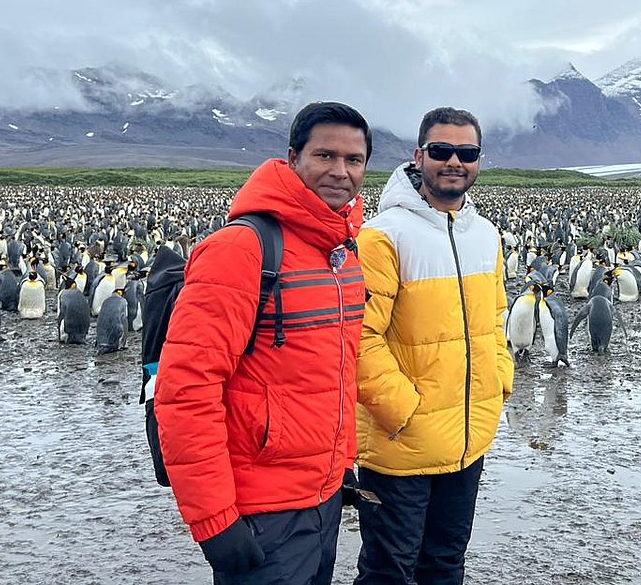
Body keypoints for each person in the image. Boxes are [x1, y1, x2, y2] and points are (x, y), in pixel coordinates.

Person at [155, 101, 372, 584]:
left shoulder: (342, 254)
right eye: (325, 156)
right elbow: (186, 389)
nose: (340, 171)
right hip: (262, 511)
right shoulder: (241, 249)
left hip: (324, 498)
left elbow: (331, 376)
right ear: (293, 158)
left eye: (354, 160)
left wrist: (342, 463)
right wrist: (214, 523)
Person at [354, 106, 514, 585]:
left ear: (479, 160)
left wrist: (499, 380)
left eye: (466, 153)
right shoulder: (383, 236)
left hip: (468, 439)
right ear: (419, 156)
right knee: (389, 572)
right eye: (442, 151)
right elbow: (358, 337)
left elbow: (497, 320)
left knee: (445, 564)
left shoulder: (485, 235)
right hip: (401, 442)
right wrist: (403, 410)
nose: (454, 162)